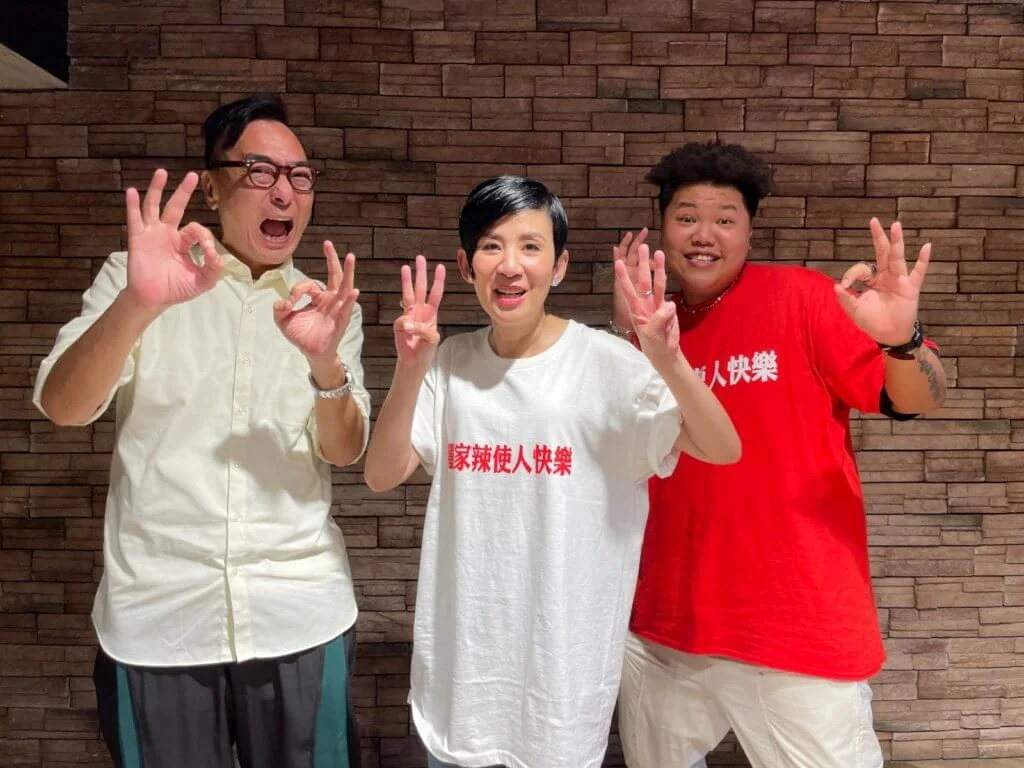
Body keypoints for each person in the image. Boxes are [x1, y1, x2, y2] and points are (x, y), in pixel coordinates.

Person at [33, 95, 370, 768]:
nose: (284, 192)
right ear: (212, 189)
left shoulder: (324, 305)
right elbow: (63, 406)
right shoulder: (138, 280)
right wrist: (139, 303)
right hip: (159, 615)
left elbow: (344, 449)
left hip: (299, 610)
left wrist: (325, 362)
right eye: (259, 171)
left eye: (300, 176)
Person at [363, 176, 740, 768]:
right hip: (461, 689)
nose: (510, 265)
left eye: (531, 246)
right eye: (491, 246)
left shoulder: (607, 364)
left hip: (558, 691)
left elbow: (722, 447)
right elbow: (382, 475)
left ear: (559, 266)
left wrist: (668, 360)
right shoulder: (449, 363)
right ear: (465, 266)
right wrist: (411, 369)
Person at [610, 140, 948, 768]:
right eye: (686, 217)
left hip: (796, 626)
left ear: (749, 230)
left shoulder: (803, 298)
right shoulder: (651, 327)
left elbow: (913, 400)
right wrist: (623, 336)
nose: (704, 234)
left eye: (725, 219)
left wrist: (903, 342)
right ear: (663, 227)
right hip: (666, 629)